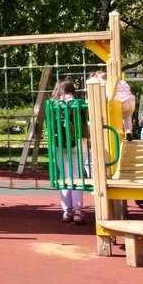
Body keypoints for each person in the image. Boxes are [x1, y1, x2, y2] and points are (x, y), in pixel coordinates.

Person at [51, 79, 87, 224]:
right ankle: (78, 211)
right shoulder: (77, 103)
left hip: (59, 143)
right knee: (76, 176)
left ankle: (67, 211)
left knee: (65, 177)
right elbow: (85, 119)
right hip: (77, 142)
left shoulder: (53, 104)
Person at [92, 70, 137, 140]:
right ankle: (128, 131)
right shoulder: (122, 82)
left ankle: (117, 133)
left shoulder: (108, 85)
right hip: (131, 102)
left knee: (113, 116)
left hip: (121, 103)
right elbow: (128, 88)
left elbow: (108, 97)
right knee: (127, 117)